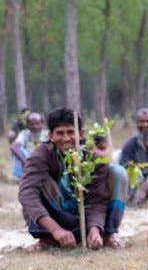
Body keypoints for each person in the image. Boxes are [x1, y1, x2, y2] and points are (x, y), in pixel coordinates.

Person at [18, 107, 125, 250]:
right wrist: (56, 230)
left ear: (80, 134)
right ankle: (47, 239)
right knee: (36, 183)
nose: (66, 139)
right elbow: (26, 194)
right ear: (50, 136)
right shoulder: (40, 155)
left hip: (85, 218)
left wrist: (95, 229)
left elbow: (97, 198)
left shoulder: (93, 157)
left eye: (70, 132)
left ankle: (108, 234)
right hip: (57, 217)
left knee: (118, 172)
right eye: (60, 133)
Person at [9, 112, 48, 180]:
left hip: (43, 161)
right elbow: (14, 147)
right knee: (18, 150)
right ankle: (22, 176)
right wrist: (24, 162)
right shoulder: (24, 134)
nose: (35, 126)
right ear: (27, 125)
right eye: (32, 124)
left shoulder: (46, 134)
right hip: (27, 161)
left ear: (42, 124)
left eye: (38, 124)